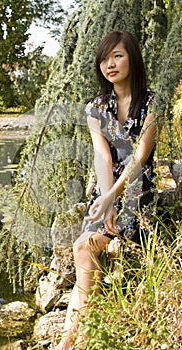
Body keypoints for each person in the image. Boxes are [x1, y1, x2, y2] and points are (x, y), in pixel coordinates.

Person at [54, 30, 163, 350]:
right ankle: (71, 336)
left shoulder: (152, 102)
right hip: (106, 190)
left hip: (137, 191)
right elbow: (102, 156)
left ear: (133, 58)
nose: (110, 64)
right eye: (104, 59)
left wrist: (115, 196)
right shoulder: (96, 107)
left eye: (117, 55)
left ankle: (72, 336)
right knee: (83, 246)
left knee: (85, 246)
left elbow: (141, 155)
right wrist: (105, 199)